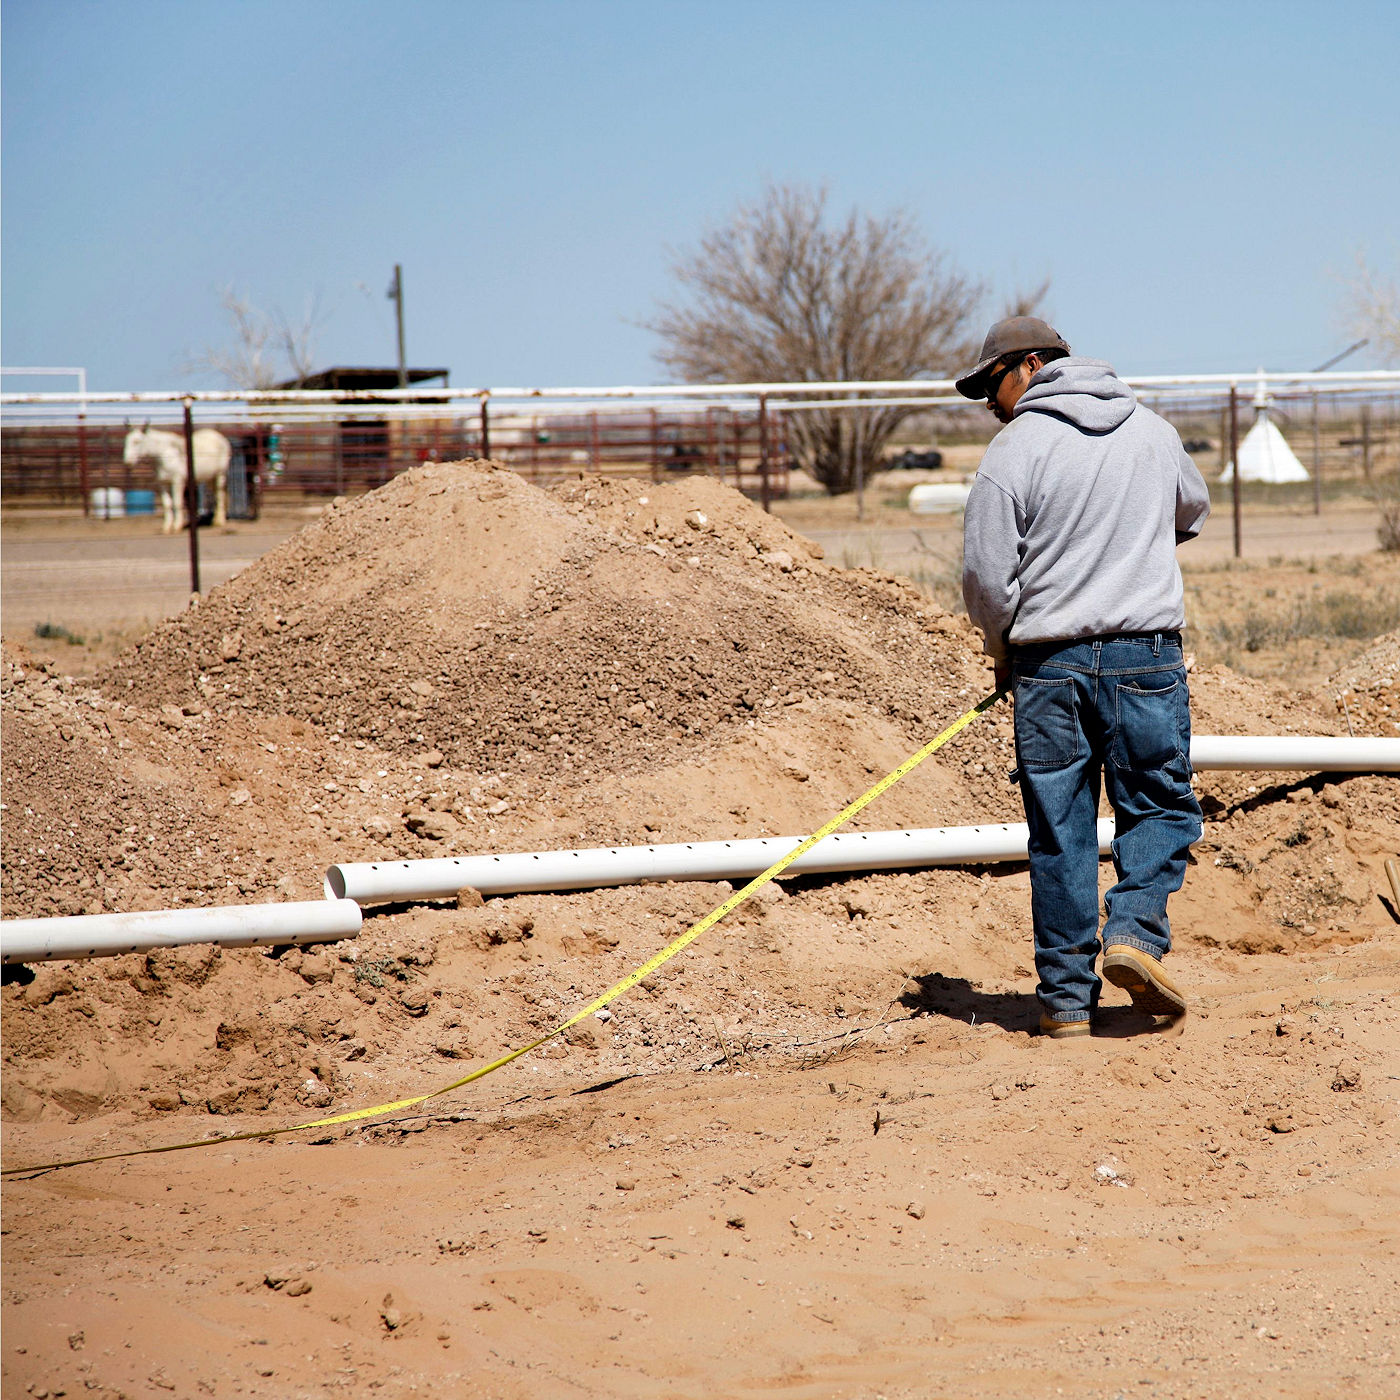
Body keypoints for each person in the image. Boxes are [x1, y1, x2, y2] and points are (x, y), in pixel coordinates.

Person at [956, 316, 1211, 1038]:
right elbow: (1191, 512)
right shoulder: (1152, 432)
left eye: (992, 385)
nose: (990, 404)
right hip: (1146, 658)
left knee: (1060, 828)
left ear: (1031, 365)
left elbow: (985, 577)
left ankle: (1066, 1004)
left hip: (1048, 666)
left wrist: (1000, 647)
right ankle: (1132, 932)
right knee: (1159, 807)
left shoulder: (1014, 451)